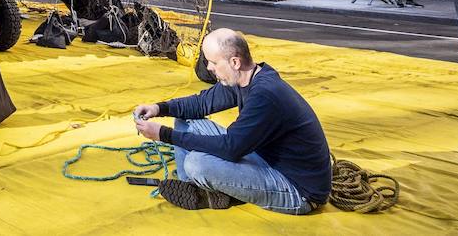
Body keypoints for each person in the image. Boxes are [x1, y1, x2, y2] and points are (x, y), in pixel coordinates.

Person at [133, 28, 331, 214]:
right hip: (264, 158)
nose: (209, 68)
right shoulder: (246, 76)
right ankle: (195, 186)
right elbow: (201, 103)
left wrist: (163, 134)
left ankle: (207, 186)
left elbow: (230, 148)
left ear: (234, 62)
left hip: (298, 190)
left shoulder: (264, 95)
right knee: (185, 120)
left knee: (197, 164)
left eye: (213, 62)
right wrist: (159, 108)